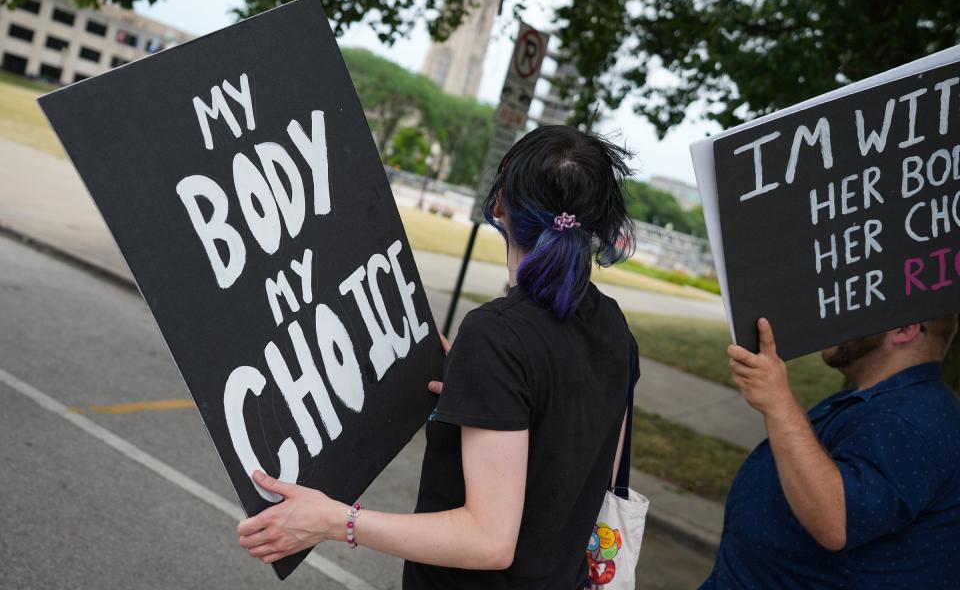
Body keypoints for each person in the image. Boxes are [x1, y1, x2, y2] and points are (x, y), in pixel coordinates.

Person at [236, 125, 641, 589]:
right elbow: (594, 465)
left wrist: (336, 520)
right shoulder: (613, 324)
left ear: (501, 203)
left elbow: (489, 540)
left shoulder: (497, 335)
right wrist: (490, 397)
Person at [701, 315, 960, 588]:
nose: (831, 319)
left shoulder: (911, 418)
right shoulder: (886, 403)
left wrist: (778, 403)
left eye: (853, 309)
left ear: (904, 329)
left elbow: (838, 521)